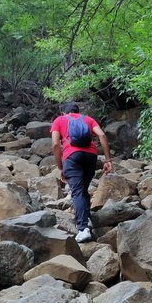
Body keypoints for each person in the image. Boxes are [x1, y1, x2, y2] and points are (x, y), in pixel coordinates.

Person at [51, 101, 112, 242]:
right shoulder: (88, 119)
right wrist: (108, 160)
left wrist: (60, 167)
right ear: (78, 111)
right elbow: (102, 136)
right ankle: (87, 218)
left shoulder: (59, 120)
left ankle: (83, 228)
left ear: (64, 112)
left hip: (72, 156)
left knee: (77, 191)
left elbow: (55, 144)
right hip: (91, 156)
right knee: (83, 189)